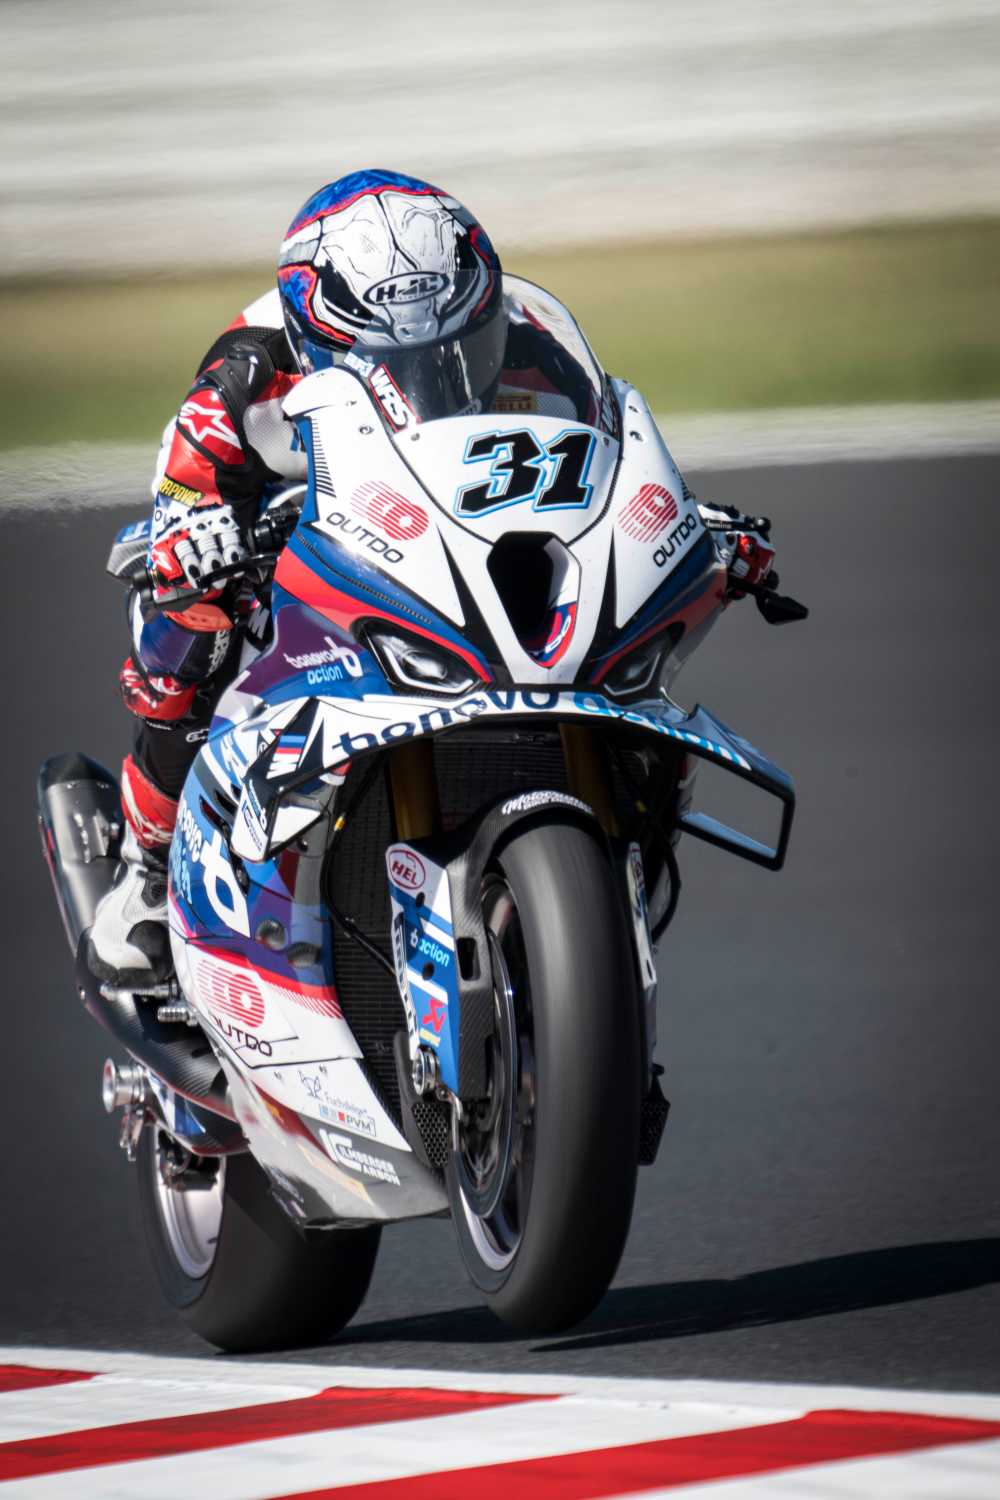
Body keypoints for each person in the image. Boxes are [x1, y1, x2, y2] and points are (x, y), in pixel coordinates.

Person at [88, 168, 775, 985]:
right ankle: (146, 870)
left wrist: (682, 522)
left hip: (440, 524)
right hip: (295, 526)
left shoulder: (535, 348)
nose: (438, 373)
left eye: (463, 346)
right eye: (396, 358)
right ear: (315, 340)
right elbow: (180, 501)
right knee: (191, 637)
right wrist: (195, 540)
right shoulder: (242, 382)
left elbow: (598, 462)